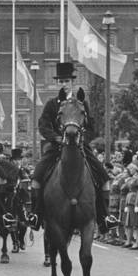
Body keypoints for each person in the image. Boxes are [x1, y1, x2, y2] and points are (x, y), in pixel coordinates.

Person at [28, 61, 115, 233]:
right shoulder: (52, 104)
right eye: (61, 81)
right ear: (58, 83)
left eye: (66, 81)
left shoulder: (81, 103)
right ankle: (36, 215)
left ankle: (104, 217)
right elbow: (43, 125)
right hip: (57, 147)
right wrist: (56, 137)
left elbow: (92, 126)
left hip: (80, 147)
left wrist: (83, 139)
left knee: (104, 179)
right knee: (36, 178)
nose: (64, 84)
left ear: (72, 82)